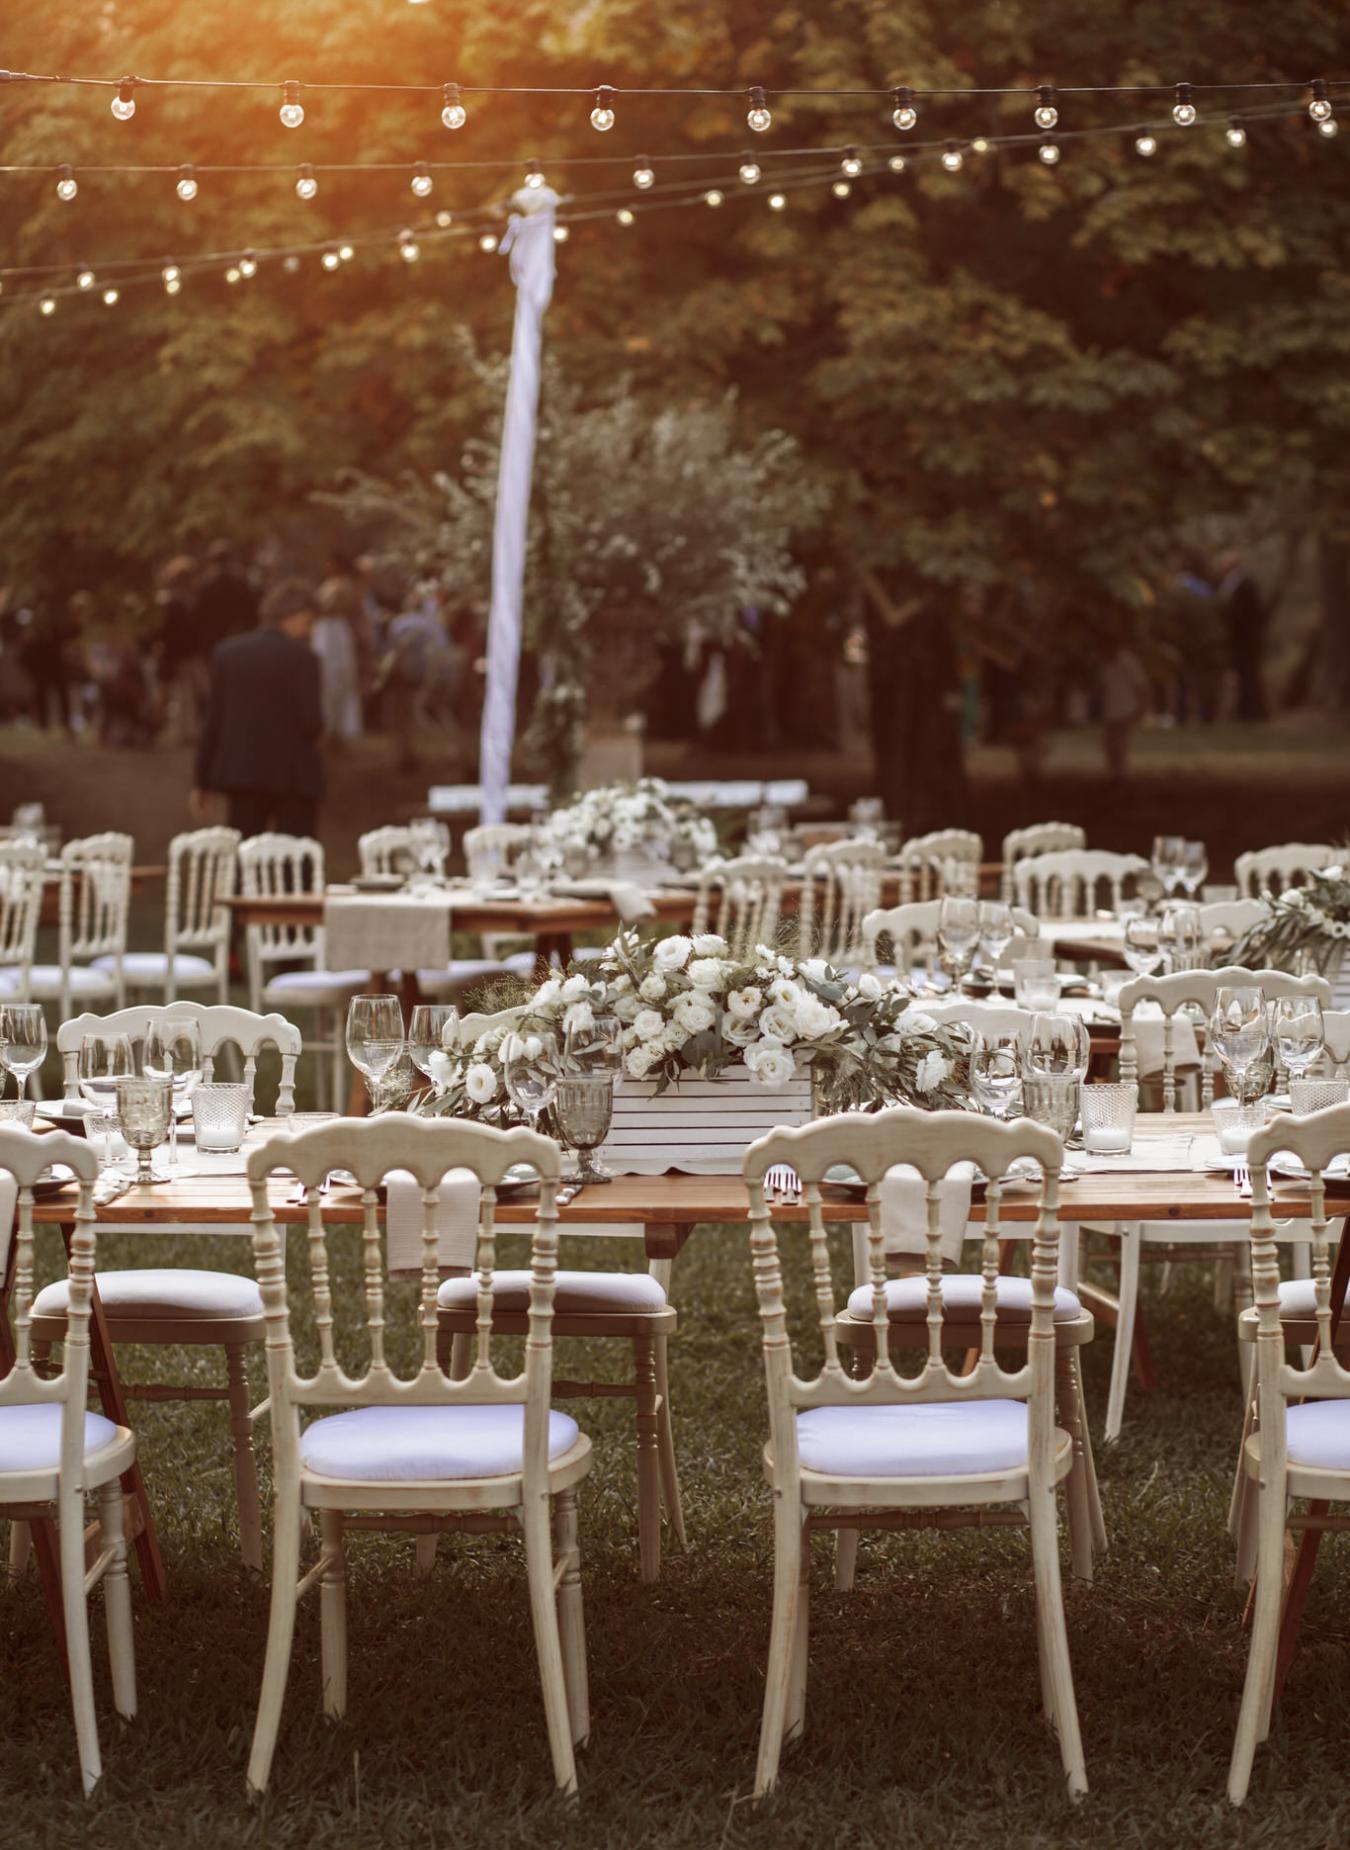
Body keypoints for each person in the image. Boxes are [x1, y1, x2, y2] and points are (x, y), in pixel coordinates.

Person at [191, 578, 324, 836]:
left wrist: (201, 780)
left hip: (243, 772)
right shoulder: (305, 659)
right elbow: (312, 722)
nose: (308, 631)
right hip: (293, 776)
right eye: (308, 622)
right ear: (292, 616)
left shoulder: (227, 654)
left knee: (247, 857)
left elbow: (213, 721)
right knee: (295, 862)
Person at [1217, 551, 1269, 721]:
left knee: (1249, 675)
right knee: (1243, 676)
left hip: (1246, 640)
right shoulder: (1231, 583)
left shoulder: (1245, 584)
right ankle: (1245, 711)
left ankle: (1253, 712)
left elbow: (1247, 613)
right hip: (1239, 640)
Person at [1099, 640, 1152, 777]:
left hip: (1126, 709)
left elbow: (1141, 686)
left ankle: (1121, 777)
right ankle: (1113, 775)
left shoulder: (1129, 662)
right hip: (1111, 711)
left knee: (1120, 746)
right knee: (1109, 746)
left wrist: (1142, 707)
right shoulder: (1106, 664)